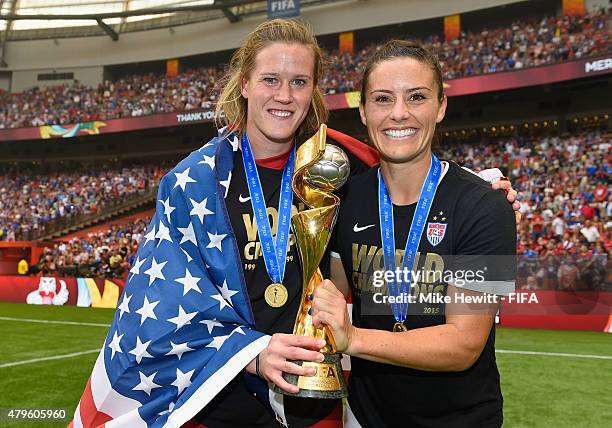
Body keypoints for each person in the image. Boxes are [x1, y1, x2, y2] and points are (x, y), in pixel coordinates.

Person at [72, 22, 519, 428]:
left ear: (313, 92)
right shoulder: (199, 179)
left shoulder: (333, 166)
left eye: (299, 82)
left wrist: (485, 191)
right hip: (225, 403)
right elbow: (166, 300)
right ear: (245, 83)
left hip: (317, 403)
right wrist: (251, 354)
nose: (284, 96)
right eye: (270, 79)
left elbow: (413, 175)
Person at [312, 40, 517, 427]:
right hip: (365, 418)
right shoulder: (343, 202)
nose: (399, 113)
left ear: (440, 106)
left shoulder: (487, 206)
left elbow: (463, 344)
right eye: (383, 98)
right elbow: (336, 291)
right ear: (364, 110)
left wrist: (352, 338)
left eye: (417, 97)